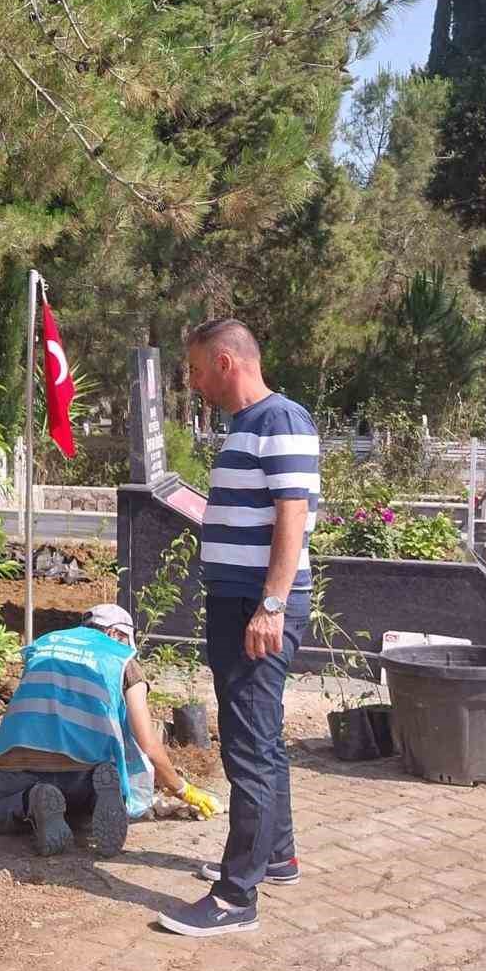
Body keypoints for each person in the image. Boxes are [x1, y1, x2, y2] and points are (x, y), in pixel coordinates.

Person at [159, 318, 317, 937]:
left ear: (226, 362)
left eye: (197, 370)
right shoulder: (246, 427)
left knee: (247, 747)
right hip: (238, 600)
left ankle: (235, 897)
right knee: (263, 738)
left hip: (257, 607)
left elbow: (293, 516)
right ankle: (276, 855)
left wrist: (271, 605)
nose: (195, 384)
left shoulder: (280, 420)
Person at [0, 604, 220, 856]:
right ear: (115, 634)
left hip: (18, 763)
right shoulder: (122, 660)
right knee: (97, 783)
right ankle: (98, 798)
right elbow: (149, 745)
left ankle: (31, 801)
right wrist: (183, 789)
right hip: (84, 768)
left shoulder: (43, 645)